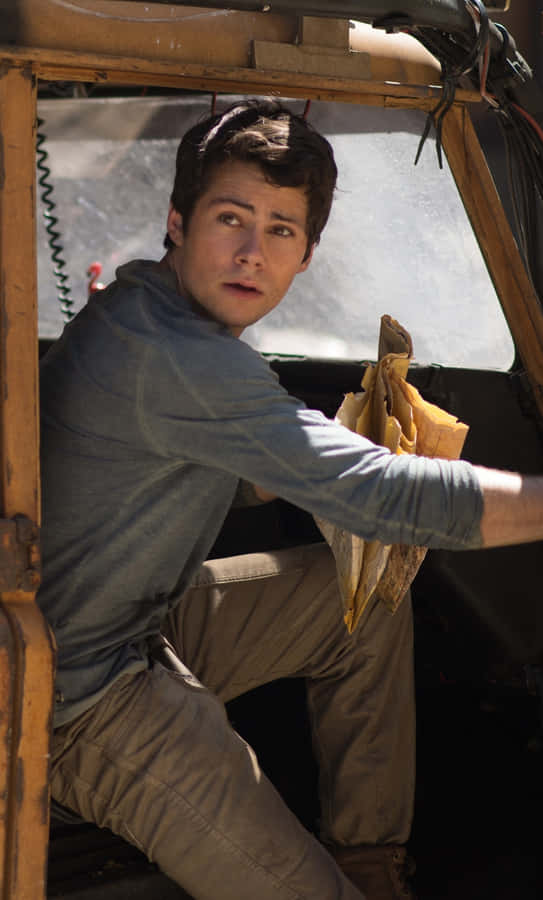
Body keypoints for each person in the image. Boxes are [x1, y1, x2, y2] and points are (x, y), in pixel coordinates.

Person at [38, 98, 543, 900]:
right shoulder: (172, 353)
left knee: (368, 604)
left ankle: (371, 867)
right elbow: (381, 501)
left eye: (280, 230)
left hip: (134, 624)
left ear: (306, 254)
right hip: (72, 700)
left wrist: (330, 446)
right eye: (230, 218)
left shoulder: (150, 306)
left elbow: (193, 461)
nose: (251, 253)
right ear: (176, 220)